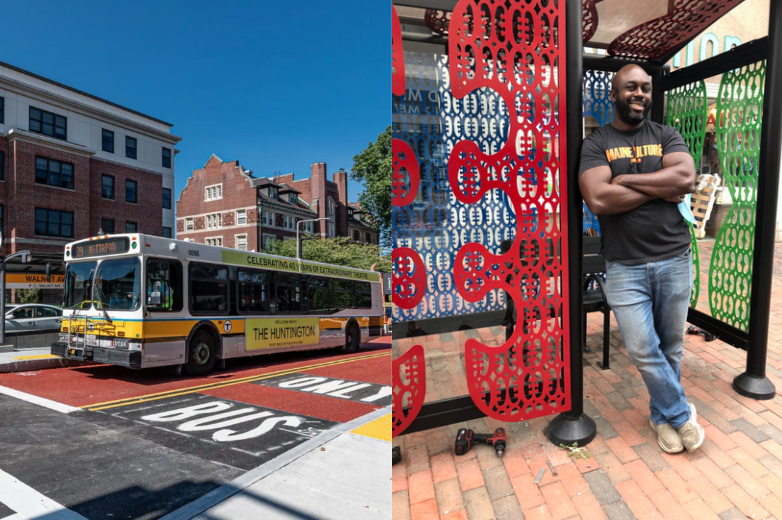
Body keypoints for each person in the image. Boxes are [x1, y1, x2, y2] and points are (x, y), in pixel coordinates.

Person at [578, 64, 704, 454]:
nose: (639, 94)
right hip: (624, 265)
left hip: (674, 258)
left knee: (672, 347)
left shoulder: (666, 134)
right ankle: (681, 415)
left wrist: (626, 180)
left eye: (645, 88)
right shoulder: (597, 142)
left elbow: (684, 178)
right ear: (614, 94)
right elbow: (599, 199)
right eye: (630, 87)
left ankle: (661, 415)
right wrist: (659, 187)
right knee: (643, 349)